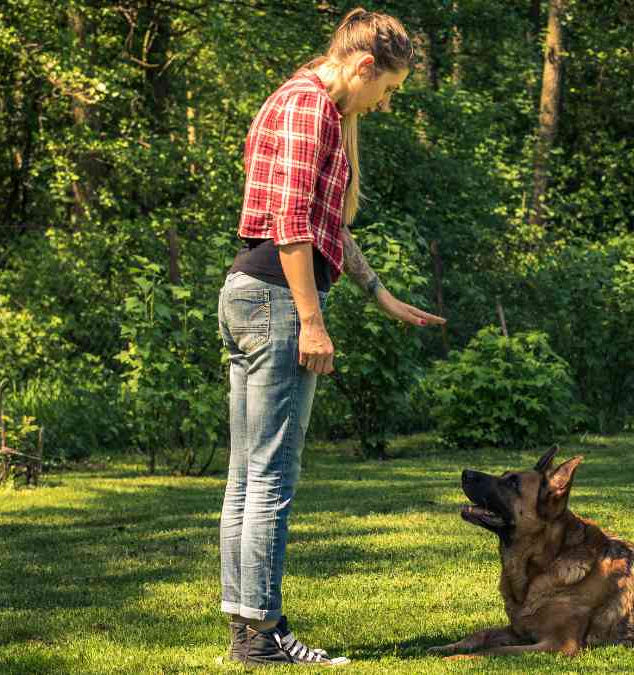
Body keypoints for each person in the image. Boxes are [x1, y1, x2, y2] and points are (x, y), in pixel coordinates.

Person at [216, 7, 445, 667]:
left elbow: (334, 220)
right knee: (270, 477)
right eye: (389, 90)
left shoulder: (322, 108)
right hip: (275, 301)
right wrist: (312, 320)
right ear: (365, 65)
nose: (386, 103)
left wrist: (380, 294)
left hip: (262, 297)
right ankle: (263, 634)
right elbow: (290, 223)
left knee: (248, 475)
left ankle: (247, 629)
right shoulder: (305, 107)